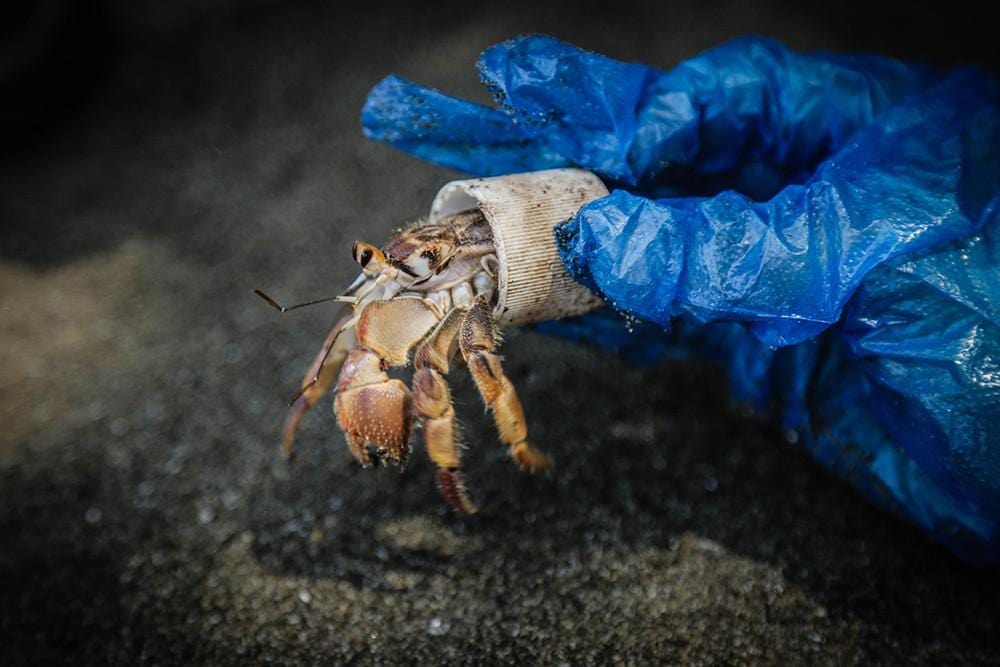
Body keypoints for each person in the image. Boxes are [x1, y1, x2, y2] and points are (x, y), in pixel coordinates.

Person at [361, 35, 1000, 564]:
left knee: (459, 360)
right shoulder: (414, 268)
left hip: (502, 248)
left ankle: (513, 448)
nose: (387, 274)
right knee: (371, 333)